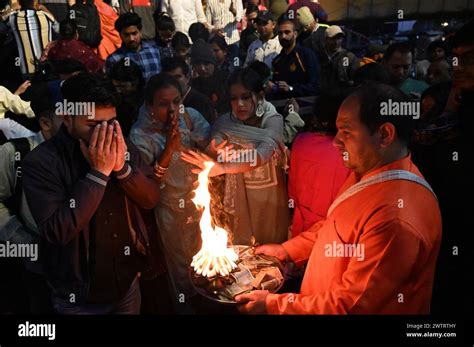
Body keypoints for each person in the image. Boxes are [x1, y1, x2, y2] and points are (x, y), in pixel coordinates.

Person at [235, 82, 442, 314]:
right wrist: (288, 250)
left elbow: (352, 305)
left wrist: (274, 304)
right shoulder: (366, 173)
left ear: (385, 134)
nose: (335, 142)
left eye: (346, 132)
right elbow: (335, 226)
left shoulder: (396, 218)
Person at [22, 73, 161, 314]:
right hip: (78, 296)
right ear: (67, 118)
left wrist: (123, 170)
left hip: (126, 284)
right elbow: (57, 232)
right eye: (94, 125)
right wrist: (98, 174)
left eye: (111, 122)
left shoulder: (122, 145)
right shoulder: (41, 162)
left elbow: (151, 199)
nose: (106, 133)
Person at [129, 73, 210, 313]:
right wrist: (169, 149)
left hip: (201, 204)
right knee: (182, 269)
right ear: (149, 106)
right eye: (164, 104)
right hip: (170, 214)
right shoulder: (140, 135)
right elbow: (144, 185)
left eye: (176, 101)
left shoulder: (190, 117)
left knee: (208, 260)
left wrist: (208, 145)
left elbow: (210, 146)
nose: (173, 110)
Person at [181, 68, 290, 246]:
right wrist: (212, 154)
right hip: (238, 194)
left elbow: (263, 154)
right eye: (234, 98)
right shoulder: (225, 123)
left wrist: (224, 168)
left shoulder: (272, 119)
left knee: (270, 245)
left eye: (245, 97)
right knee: (243, 246)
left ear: (260, 96)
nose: (239, 104)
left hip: (269, 195)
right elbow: (214, 147)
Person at [0, 82, 62, 313]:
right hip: (37, 267)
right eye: (67, 116)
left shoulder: (91, 151)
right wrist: (24, 243)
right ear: (45, 123)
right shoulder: (15, 154)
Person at [288, 93, 350, 237]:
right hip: (334, 228)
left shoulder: (301, 141)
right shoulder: (349, 151)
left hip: (302, 224)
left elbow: (292, 190)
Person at [267, 14, 320, 99]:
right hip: (281, 106)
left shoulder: (306, 56)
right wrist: (272, 86)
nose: (283, 36)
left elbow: (315, 86)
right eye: (280, 33)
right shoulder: (277, 60)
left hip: (303, 106)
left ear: (295, 34)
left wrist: (291, 88)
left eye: (287, 32)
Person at [4, 0, 58, 78]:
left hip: (26, 69)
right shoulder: (46, 16)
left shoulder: (13, 18)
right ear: (35, 2)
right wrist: (44, 8)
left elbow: (2, 19)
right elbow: (57, 28)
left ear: (19, 3)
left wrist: (12, 8)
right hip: (46, 67)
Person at [106, 13, 162, 82]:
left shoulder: (154, 51)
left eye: (134, 33)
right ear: (120, 35)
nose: (131, 38)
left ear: (140, 32)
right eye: (126, 35)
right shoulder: (114, 60)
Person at [162, 56, 216, 124]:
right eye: (169, 78)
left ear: (187, 77)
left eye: (177, 77)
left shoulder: (203, 103)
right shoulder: (160, 101)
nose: (173, 81)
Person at [190, 39, 230, 115]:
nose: (202, 68)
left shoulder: (226, 80)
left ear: (213, 63)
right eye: (198, 64)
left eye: (206, 63)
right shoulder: (194, 85)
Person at [108, 58, 145, 136]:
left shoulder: (147, 103)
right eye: (115, 87)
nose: (118, 91)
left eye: (122, 86)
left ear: (135, 82)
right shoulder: (114, 102)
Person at [318, 25, 359, 96]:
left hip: (343, 96)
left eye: (339, 38)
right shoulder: (317, 56)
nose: (336, 42)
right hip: (322, 96)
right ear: (326, 39)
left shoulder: (350, 57)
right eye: (333, 38)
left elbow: (356, 80)